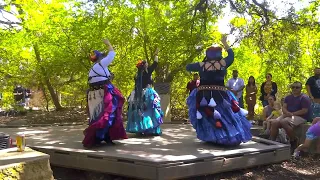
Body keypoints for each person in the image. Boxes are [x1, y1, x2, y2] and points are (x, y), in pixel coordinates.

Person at [185, 35, 252, 146]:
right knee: (224, 115)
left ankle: (215, 137)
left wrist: (197, 50)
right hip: (220, 95)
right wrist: (225, 43)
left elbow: (188, 67)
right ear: (219, 54)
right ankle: (224, 136)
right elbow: (231, 56)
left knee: (208, 115)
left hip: (204, 95)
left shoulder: (202, 65)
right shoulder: (223, 63)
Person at [82, 39, 127, 148]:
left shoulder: (94, 68)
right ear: (100, 58)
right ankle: (100, 137)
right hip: (103, 93)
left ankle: (102, 137)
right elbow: (112, 54)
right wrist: (108, 44)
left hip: (95, 94)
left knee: (98, 116)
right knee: (108, 114)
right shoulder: (101, 64)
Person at [126, 48, 164, 136]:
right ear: (145, 65)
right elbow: (155, 64)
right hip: (147, 92)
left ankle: (140, 128)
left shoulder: (137, 74)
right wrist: (156, 54)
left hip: (137, 93)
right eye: (146, 63)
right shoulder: (147, 71)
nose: (148, 64)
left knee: (140, 109)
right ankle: (150, 129)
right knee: (150, 110)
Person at [270, 82, 311, 152]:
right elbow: (284, 107)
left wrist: (292, 114)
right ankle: (271, 142)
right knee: (274, 122)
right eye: (293, 87)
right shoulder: (288, 97)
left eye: (297, 87)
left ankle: (293, 140)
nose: (294, 89)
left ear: (301, 88)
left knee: (284, 122)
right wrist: (287, 112)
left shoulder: (304, 98)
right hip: (288, 115)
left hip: (301, 117)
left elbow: (304, 110)